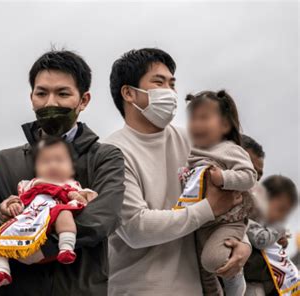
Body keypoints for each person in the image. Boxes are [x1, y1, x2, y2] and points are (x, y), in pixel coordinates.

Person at [105, 48, 252, 295]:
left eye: (172, 84)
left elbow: (234, 198)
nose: (170, 92)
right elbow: (135, 228)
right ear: (129, 93)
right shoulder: (111, 152)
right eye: (159, 82)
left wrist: (242, 243)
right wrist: (208, 208)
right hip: (139, 288)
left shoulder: (194, 141)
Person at [0, 50, 125, 296]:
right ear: (31, 97)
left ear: (84, 100)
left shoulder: (105, 157)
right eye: (42, 93)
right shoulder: (3, 161)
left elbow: (101, 219)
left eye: (63, 93)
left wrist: (34, 247)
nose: (51, 103)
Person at [174, 90, 257, 295]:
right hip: (201, 222)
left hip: (228, 221)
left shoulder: (230, 149)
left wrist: (224, 178)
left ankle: (236, 282)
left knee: (212, 261)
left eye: (205, 118)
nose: (197, 124)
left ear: (225, 124)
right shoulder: (189, 150)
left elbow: (249, 177)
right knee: (204, 274)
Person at [0, 137, 98, 288]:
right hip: (29, 220)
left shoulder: (72, 186)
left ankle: (66, 247)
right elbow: (20, 200)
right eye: (45, 161)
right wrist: (14, 205)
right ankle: (1, 271)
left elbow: (89, 201)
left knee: (63, 212)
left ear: (72, 167)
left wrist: (78, 196)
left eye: (59, 160)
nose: (52, 165)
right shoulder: (28, 185)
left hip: (49, 232)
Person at [244, 175, 299, 296]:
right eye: (281, 209)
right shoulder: (247, 216)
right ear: (264, 199)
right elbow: (261, 241)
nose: (282, 217)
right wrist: (278, 231)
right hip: (250, 284)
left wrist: (280, 244)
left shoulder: (267, 224)